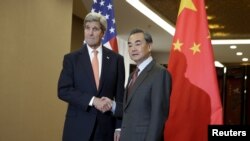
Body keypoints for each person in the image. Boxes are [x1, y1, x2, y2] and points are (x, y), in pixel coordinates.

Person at [57, 12, 125, 141]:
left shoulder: (117, 60)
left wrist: (119, 127)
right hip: (77, 128)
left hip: (106, 129)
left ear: (103, 33)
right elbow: (63, 90)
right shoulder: (71, 59)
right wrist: (93, 100)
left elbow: (120, 95)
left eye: (95, 29)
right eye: (87, 28)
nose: (90, 33)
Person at [119, 28, 172, 141]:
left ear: (149, 46)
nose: (133, 49)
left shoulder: (160, 73)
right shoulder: (132, 75)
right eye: (130, 45)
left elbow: (158, 116)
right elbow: (129, 109)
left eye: (138, 44)